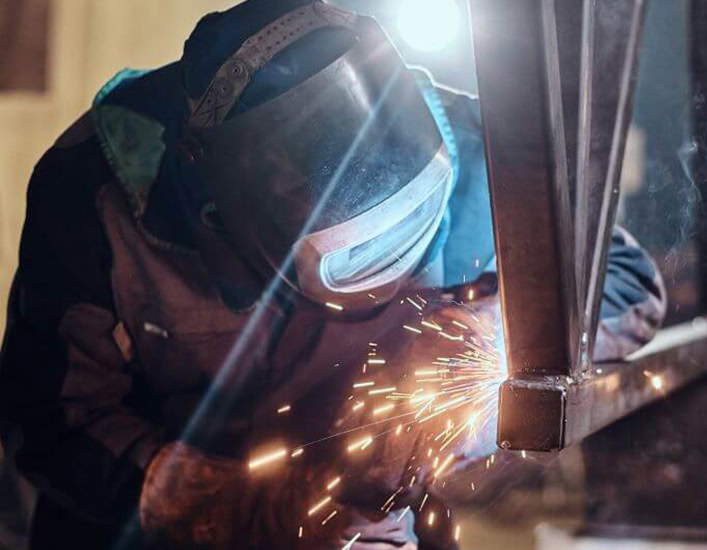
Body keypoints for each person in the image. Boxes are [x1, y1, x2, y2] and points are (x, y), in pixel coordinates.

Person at [0, 1, 666, 548]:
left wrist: (487, 340)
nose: (385, 278)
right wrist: (249, 509)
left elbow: (625, 280)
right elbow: (49, 417)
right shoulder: (97, 194)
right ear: (219, 192)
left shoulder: (480, 152)